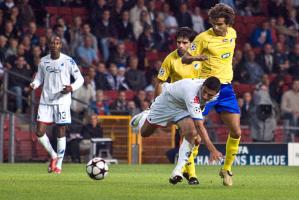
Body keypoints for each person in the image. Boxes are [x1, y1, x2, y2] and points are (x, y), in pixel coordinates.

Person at [181, 3, 241, 186]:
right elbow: (184, 58)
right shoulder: (202, 38)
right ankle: (190, 171)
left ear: (228, 23)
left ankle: (227, 169)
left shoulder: (232, 33)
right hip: (206, 89)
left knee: (236, 131)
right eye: (213, 23)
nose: (216, 27)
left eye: (220, 24)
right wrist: (196, 57)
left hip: (226, 89)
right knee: (195, 134)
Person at [130, 77, 223, 184]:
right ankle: (145, 114)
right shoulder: (191, 91)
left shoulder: (215, 95)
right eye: (204, 91)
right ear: (202, 86)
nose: (206, 96)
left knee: (191, 133)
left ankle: (178, 171)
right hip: (167, 103)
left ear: (216, 93)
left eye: (209, 94)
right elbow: (199, 124)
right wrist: (212, 149)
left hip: (183, 109)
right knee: (144, 133)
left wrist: (198, 136)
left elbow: (200, 113)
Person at [29, 36, 84, 174]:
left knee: (61, 131)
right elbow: (39, 78)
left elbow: (80, 79)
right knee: (39, 132)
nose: (55, 45)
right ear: (49, 45)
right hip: (46, 101)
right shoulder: (43, 61)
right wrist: (34, 84)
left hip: (62, 101)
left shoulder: (68, 61)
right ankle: (53, 155)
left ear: (61, 46)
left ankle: (58, 164)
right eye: (52, 42)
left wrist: (71, 87)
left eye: (57, 43)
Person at [154, 27, 201, 185]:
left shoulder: (198, 58)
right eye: (178, 42)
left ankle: (186, 170)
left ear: (191, 44)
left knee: (197, 139)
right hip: (178, 104)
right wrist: (157, 104)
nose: (180, 45)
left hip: (196, 102)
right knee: (190, 136)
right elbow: (160, 82)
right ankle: (191, 174)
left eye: (185, 43)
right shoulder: (170, 59)